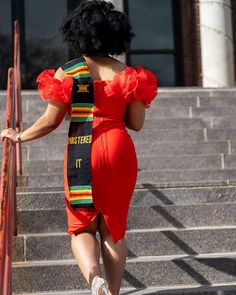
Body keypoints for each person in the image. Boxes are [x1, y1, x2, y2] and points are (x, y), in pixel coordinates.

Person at [1, 1, 158, 294]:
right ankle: (112, 291)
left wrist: (18, 136)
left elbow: (50, 122)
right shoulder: (129, 75)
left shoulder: (68, 72)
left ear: (77, 34)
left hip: (81, 150)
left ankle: (94, 279)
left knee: (82, 227)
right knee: (113, 229)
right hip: (118, 148)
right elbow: (136, 124)